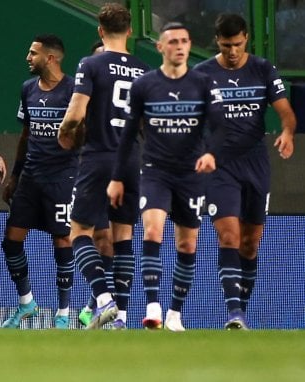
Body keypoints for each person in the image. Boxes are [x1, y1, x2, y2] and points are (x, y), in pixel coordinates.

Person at [106, 22, 225, 331]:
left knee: (187, 244)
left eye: (185, 41)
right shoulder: (145, 85)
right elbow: (129, 133)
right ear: (160, 47)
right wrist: (117, 178)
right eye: (173, 41)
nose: (180, 46)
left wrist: (211, 152)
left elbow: (219, 125)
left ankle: (175, 313)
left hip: (191, 174)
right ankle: (152, 306)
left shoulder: (203, 83)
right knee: (151, 232)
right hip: (155, 171)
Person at [194, 13, 296, 329]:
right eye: (226, 46)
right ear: (217, 42)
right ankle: (234, 312)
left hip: (255, 162)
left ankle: (242, 315)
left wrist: (287, 133)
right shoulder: (202, 74)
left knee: (250, 243)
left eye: (237, 44)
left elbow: (286, 113)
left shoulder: (263, 69)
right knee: (229, 235)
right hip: (220, 166)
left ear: (246, 39)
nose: (233, 52)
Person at [57, 3, 149, 329]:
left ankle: (102, 297)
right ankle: (121, 317)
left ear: (99, 30)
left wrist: (65, 133)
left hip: (98, 156)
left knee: (79, 232)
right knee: (123, 237)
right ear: (130, 31)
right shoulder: (143, 70)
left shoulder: (91, 64)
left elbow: (75, 114)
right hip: (132, 160)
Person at [0, 34, 76, 329]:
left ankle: (64, 313)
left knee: (62, 240)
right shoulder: (27, 89)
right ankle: (27, 302)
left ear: (51, 58)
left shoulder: (73, 91)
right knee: (11, 242)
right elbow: (26, 135)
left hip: (62, 176)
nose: (27, 58)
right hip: (31, 176)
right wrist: (16, 175)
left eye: (33, 53)